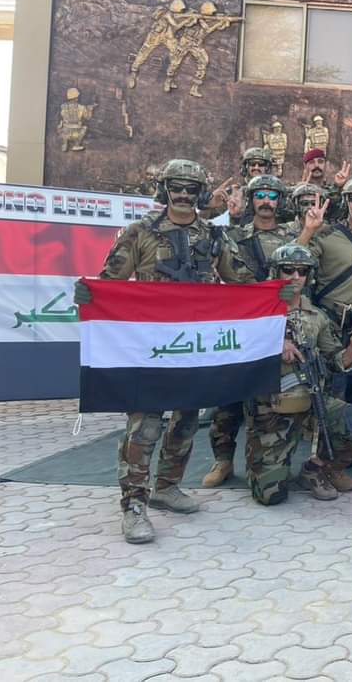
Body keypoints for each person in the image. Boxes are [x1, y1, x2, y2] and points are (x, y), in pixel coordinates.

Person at [76, 158, 254, 544]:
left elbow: (242, 282)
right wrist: (90, 296)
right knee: (145, 425)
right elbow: (111, 282)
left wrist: (274, 296)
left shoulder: (214, 236)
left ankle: (167, 487)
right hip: (150, 347)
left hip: (194, 347)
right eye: (177, 187)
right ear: (164, 189)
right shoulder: (139, 232)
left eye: (192, 189)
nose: (184, 195)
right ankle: (134, 505)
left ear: (202, 193)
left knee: (186, 420)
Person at [246, 244, 352, 504]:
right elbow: (237, 350)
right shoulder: (256, 312)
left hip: (311, 400)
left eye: (302, 271)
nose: (295, 276)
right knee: (270, 496)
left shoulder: (317, 316)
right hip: (271, 409)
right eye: (288, 269)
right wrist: (274, 342)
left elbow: (336, 360)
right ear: (275, 272)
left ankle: (317, 470)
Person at [203, 174, 294, 489]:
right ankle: (223, 460)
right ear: (252, 199)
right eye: (260, 195)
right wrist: (215, 208)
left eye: (273, 195)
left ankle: (266, 459)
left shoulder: (291, 235)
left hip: (278, 321)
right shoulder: (233, 234)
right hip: (241, 323)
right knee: (228, 398)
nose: (266, 201)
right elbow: (204, 241)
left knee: (268, 396)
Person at [297, 176, 352, 404]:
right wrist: (308, 230)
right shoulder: (326, 235)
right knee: (331, 388)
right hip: (330, 322)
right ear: (346, 201)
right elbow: (292, 262)